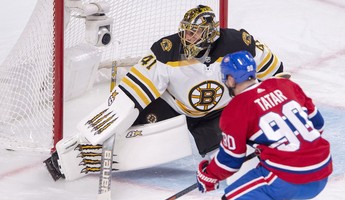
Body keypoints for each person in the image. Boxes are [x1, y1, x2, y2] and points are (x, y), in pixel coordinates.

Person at [45, 5, 286, 181]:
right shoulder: (167, 51)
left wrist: (283, 114)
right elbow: (130, 93)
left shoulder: (238, 42)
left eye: (195, 33)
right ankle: (74, 157)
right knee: (128, 121)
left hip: (220, 112)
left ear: (211, 33)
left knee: (226, 164)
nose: (187, 37)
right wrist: (95, 130)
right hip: (173, 105)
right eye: (187, 31)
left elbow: (275, 74)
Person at [179, 51, 333, 200]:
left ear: (230, 80)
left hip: (288, 178)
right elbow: (318, 125)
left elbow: (230, 162)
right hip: (322, 170)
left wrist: (208, 176)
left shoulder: (235, 110)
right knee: (264, 181)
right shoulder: (285, 85)